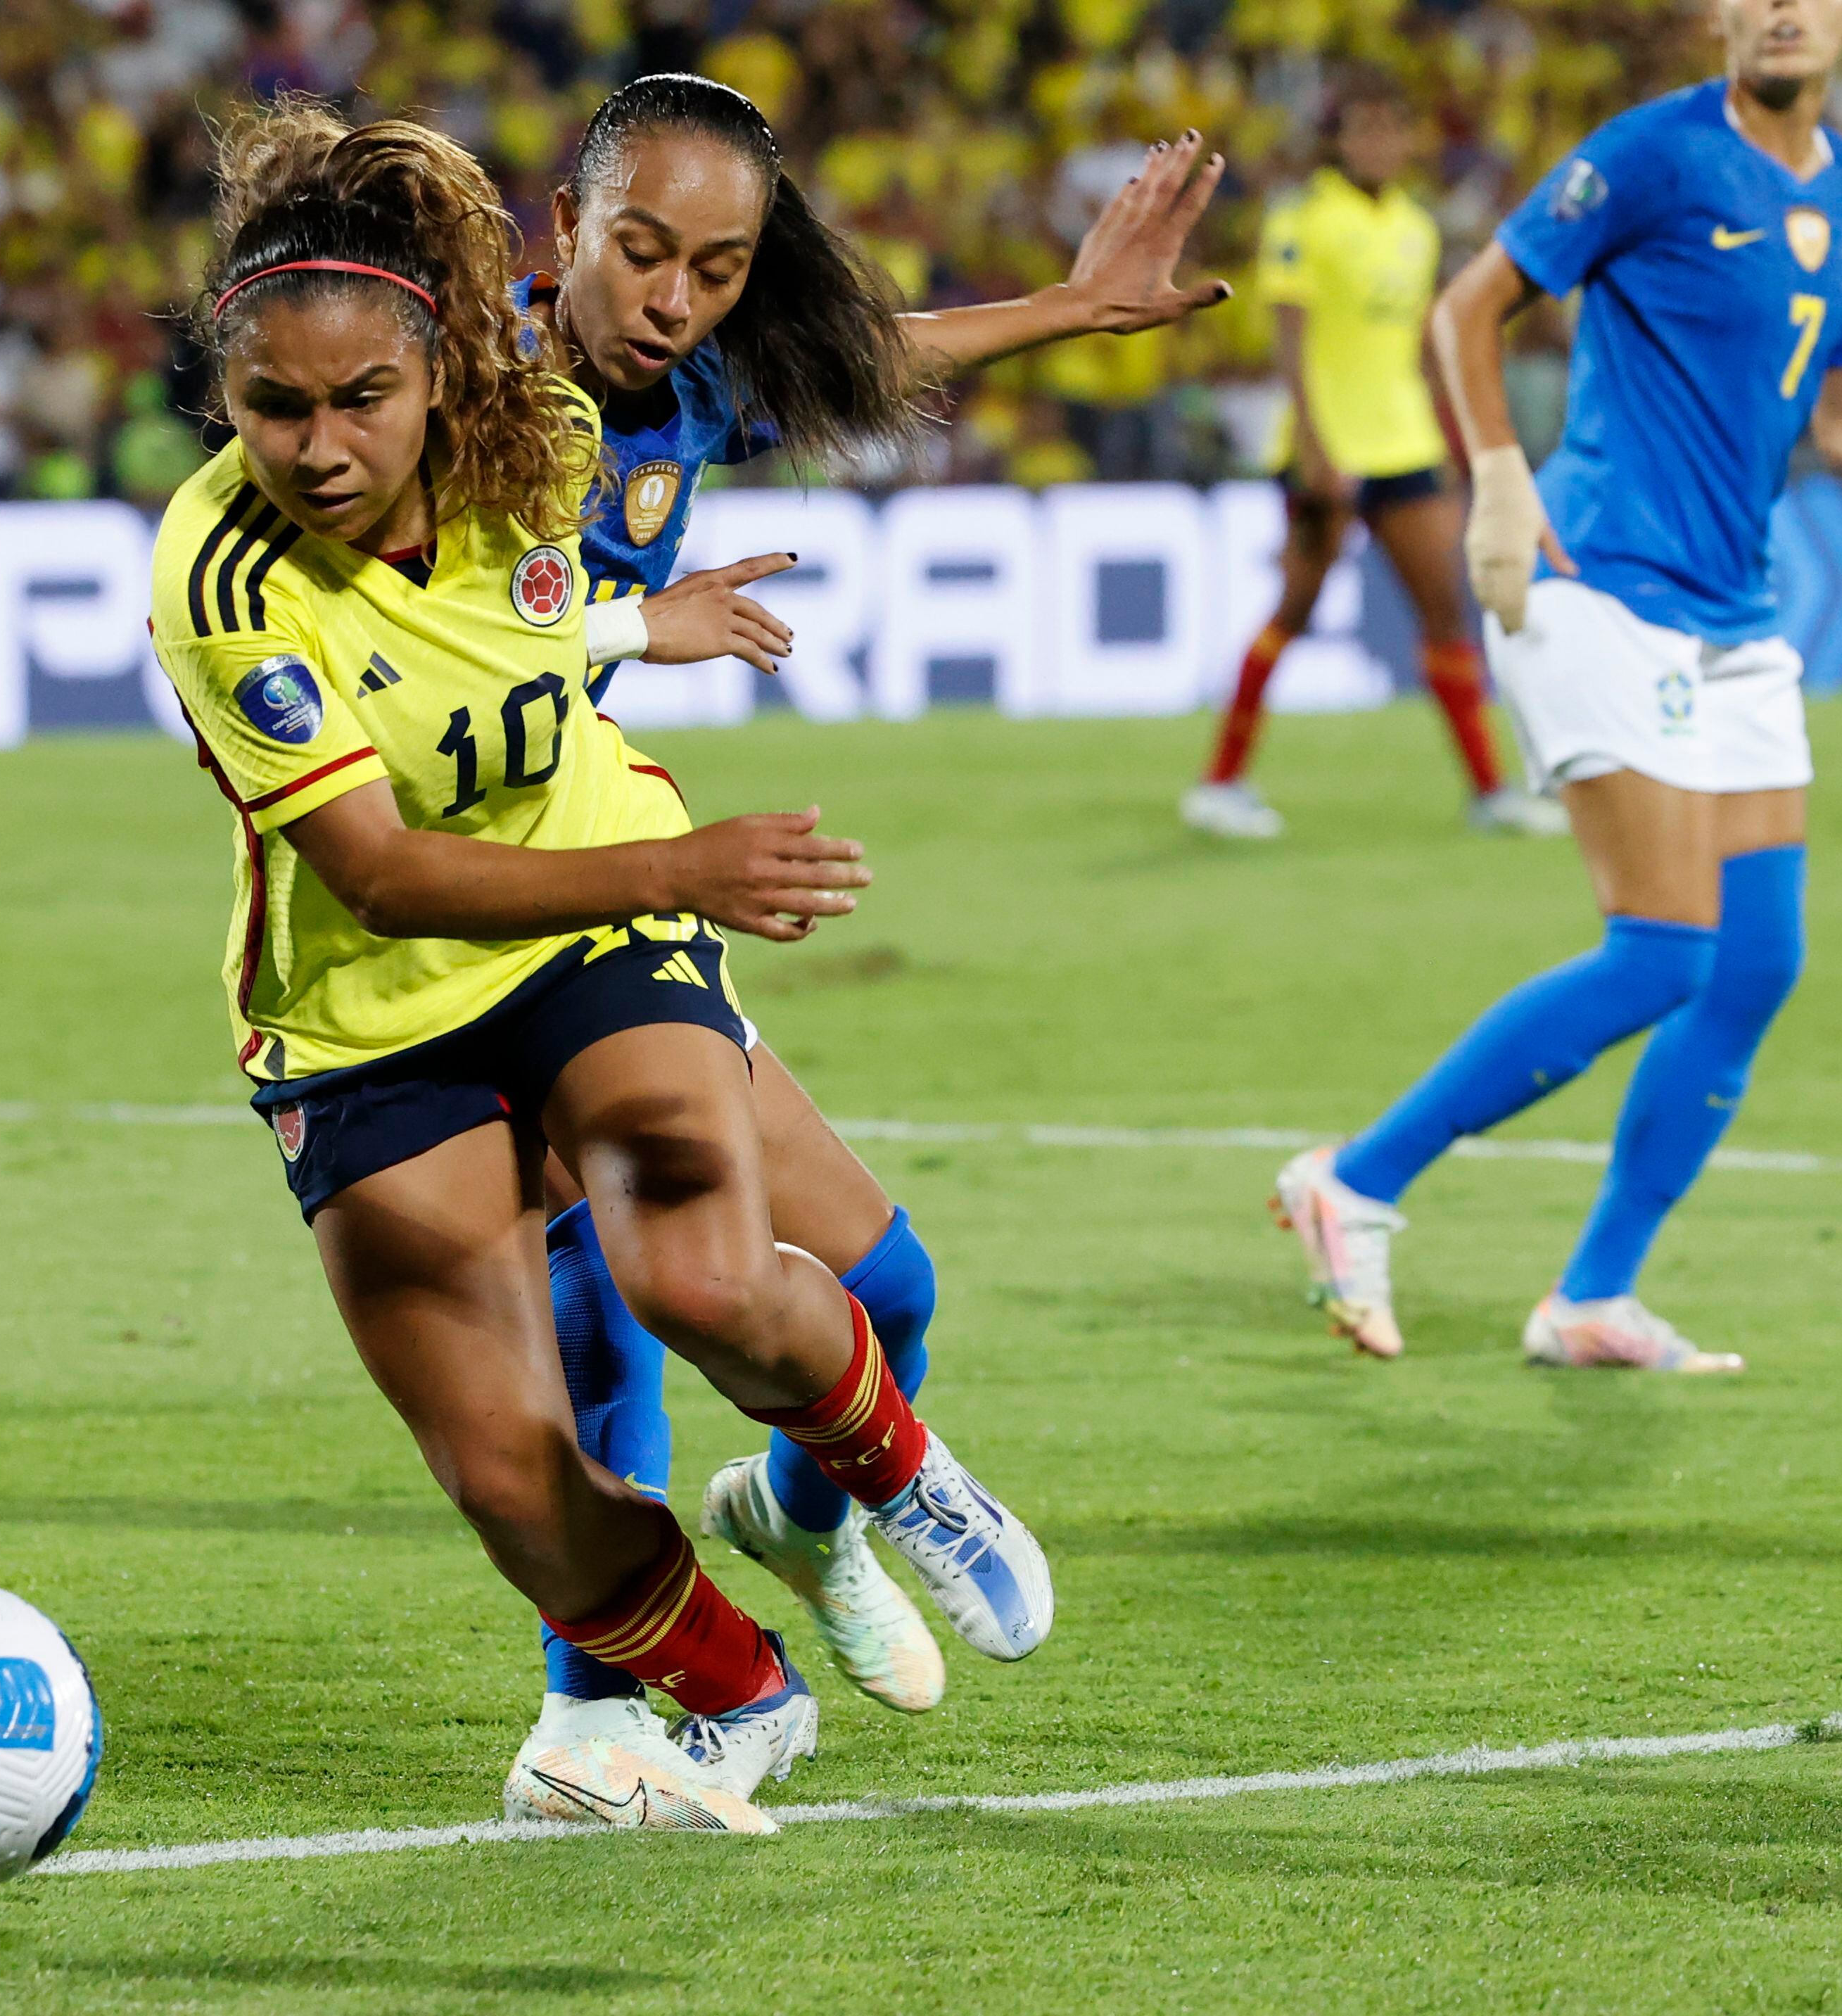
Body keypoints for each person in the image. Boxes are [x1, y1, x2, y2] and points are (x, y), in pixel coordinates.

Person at [153, 101, 1054, 1832]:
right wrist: (688, 821)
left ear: (438, 382)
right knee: (505, 1479)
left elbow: (775, 393)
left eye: (359, 402)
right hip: (366, 998)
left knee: (696, 1278)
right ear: (224, 396)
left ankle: (890, 1476)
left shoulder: (540, 422)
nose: (320, 446)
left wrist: (645, 644)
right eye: (274, 407)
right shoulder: (216, 573)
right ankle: (724, 1695)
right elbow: (380, 870)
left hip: (585, 898)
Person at [504, 72, 1221, 1808]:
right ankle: (590, 1709)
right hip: (457, 913)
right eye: (640, 254)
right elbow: (395, 626)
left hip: (601, 860)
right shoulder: (458, 388)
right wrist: (628, 620)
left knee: (883, 1289)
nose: (670, 299)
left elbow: (874, 357)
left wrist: (1069, 307)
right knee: (598, 1312)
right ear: (563, 235)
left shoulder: (682, 385)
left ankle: (805, 1517)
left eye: (716, 268)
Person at [1272, 0, 1837, 1372]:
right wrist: (1501, 478)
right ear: (1714, 18)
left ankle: (1590, 1293)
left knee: (1757, 960)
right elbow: (1476, 304)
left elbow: (1803, 393)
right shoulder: (1647, 153)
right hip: (1590, 575)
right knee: (1664, 949)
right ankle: (1353, 1182)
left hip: (1734, 604)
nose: (1777, 9)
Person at [1183, 72, 1566, 843]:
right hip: (1329, 448)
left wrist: (1452, 435)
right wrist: (1317, 449)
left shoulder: (1414, 227)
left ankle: (1490, 792)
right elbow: (1290, 340)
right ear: (1337, 141)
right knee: (1294, 611)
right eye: (1364, 130)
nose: (1379, 144)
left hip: (1406, 443)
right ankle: (1220, 784)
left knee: (1445, 614)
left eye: (1392, 131)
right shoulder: (1302, 219)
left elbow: (1424, 344)